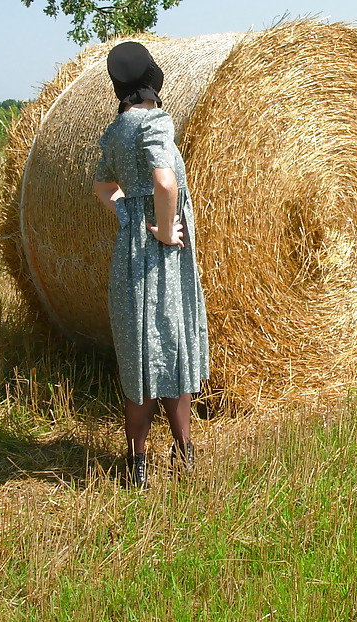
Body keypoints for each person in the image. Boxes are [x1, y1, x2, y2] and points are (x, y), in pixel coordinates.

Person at [92, 41, 209, 489]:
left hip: (128, 255)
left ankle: (136, 464)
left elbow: (103, 186)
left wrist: (127, 215)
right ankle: (184, 453)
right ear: (150, 83)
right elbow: (165, 181)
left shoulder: (116, 130)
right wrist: (162, 228)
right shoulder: (156, 121)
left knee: (138, 351)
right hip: (162, 255)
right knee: (173, 346)